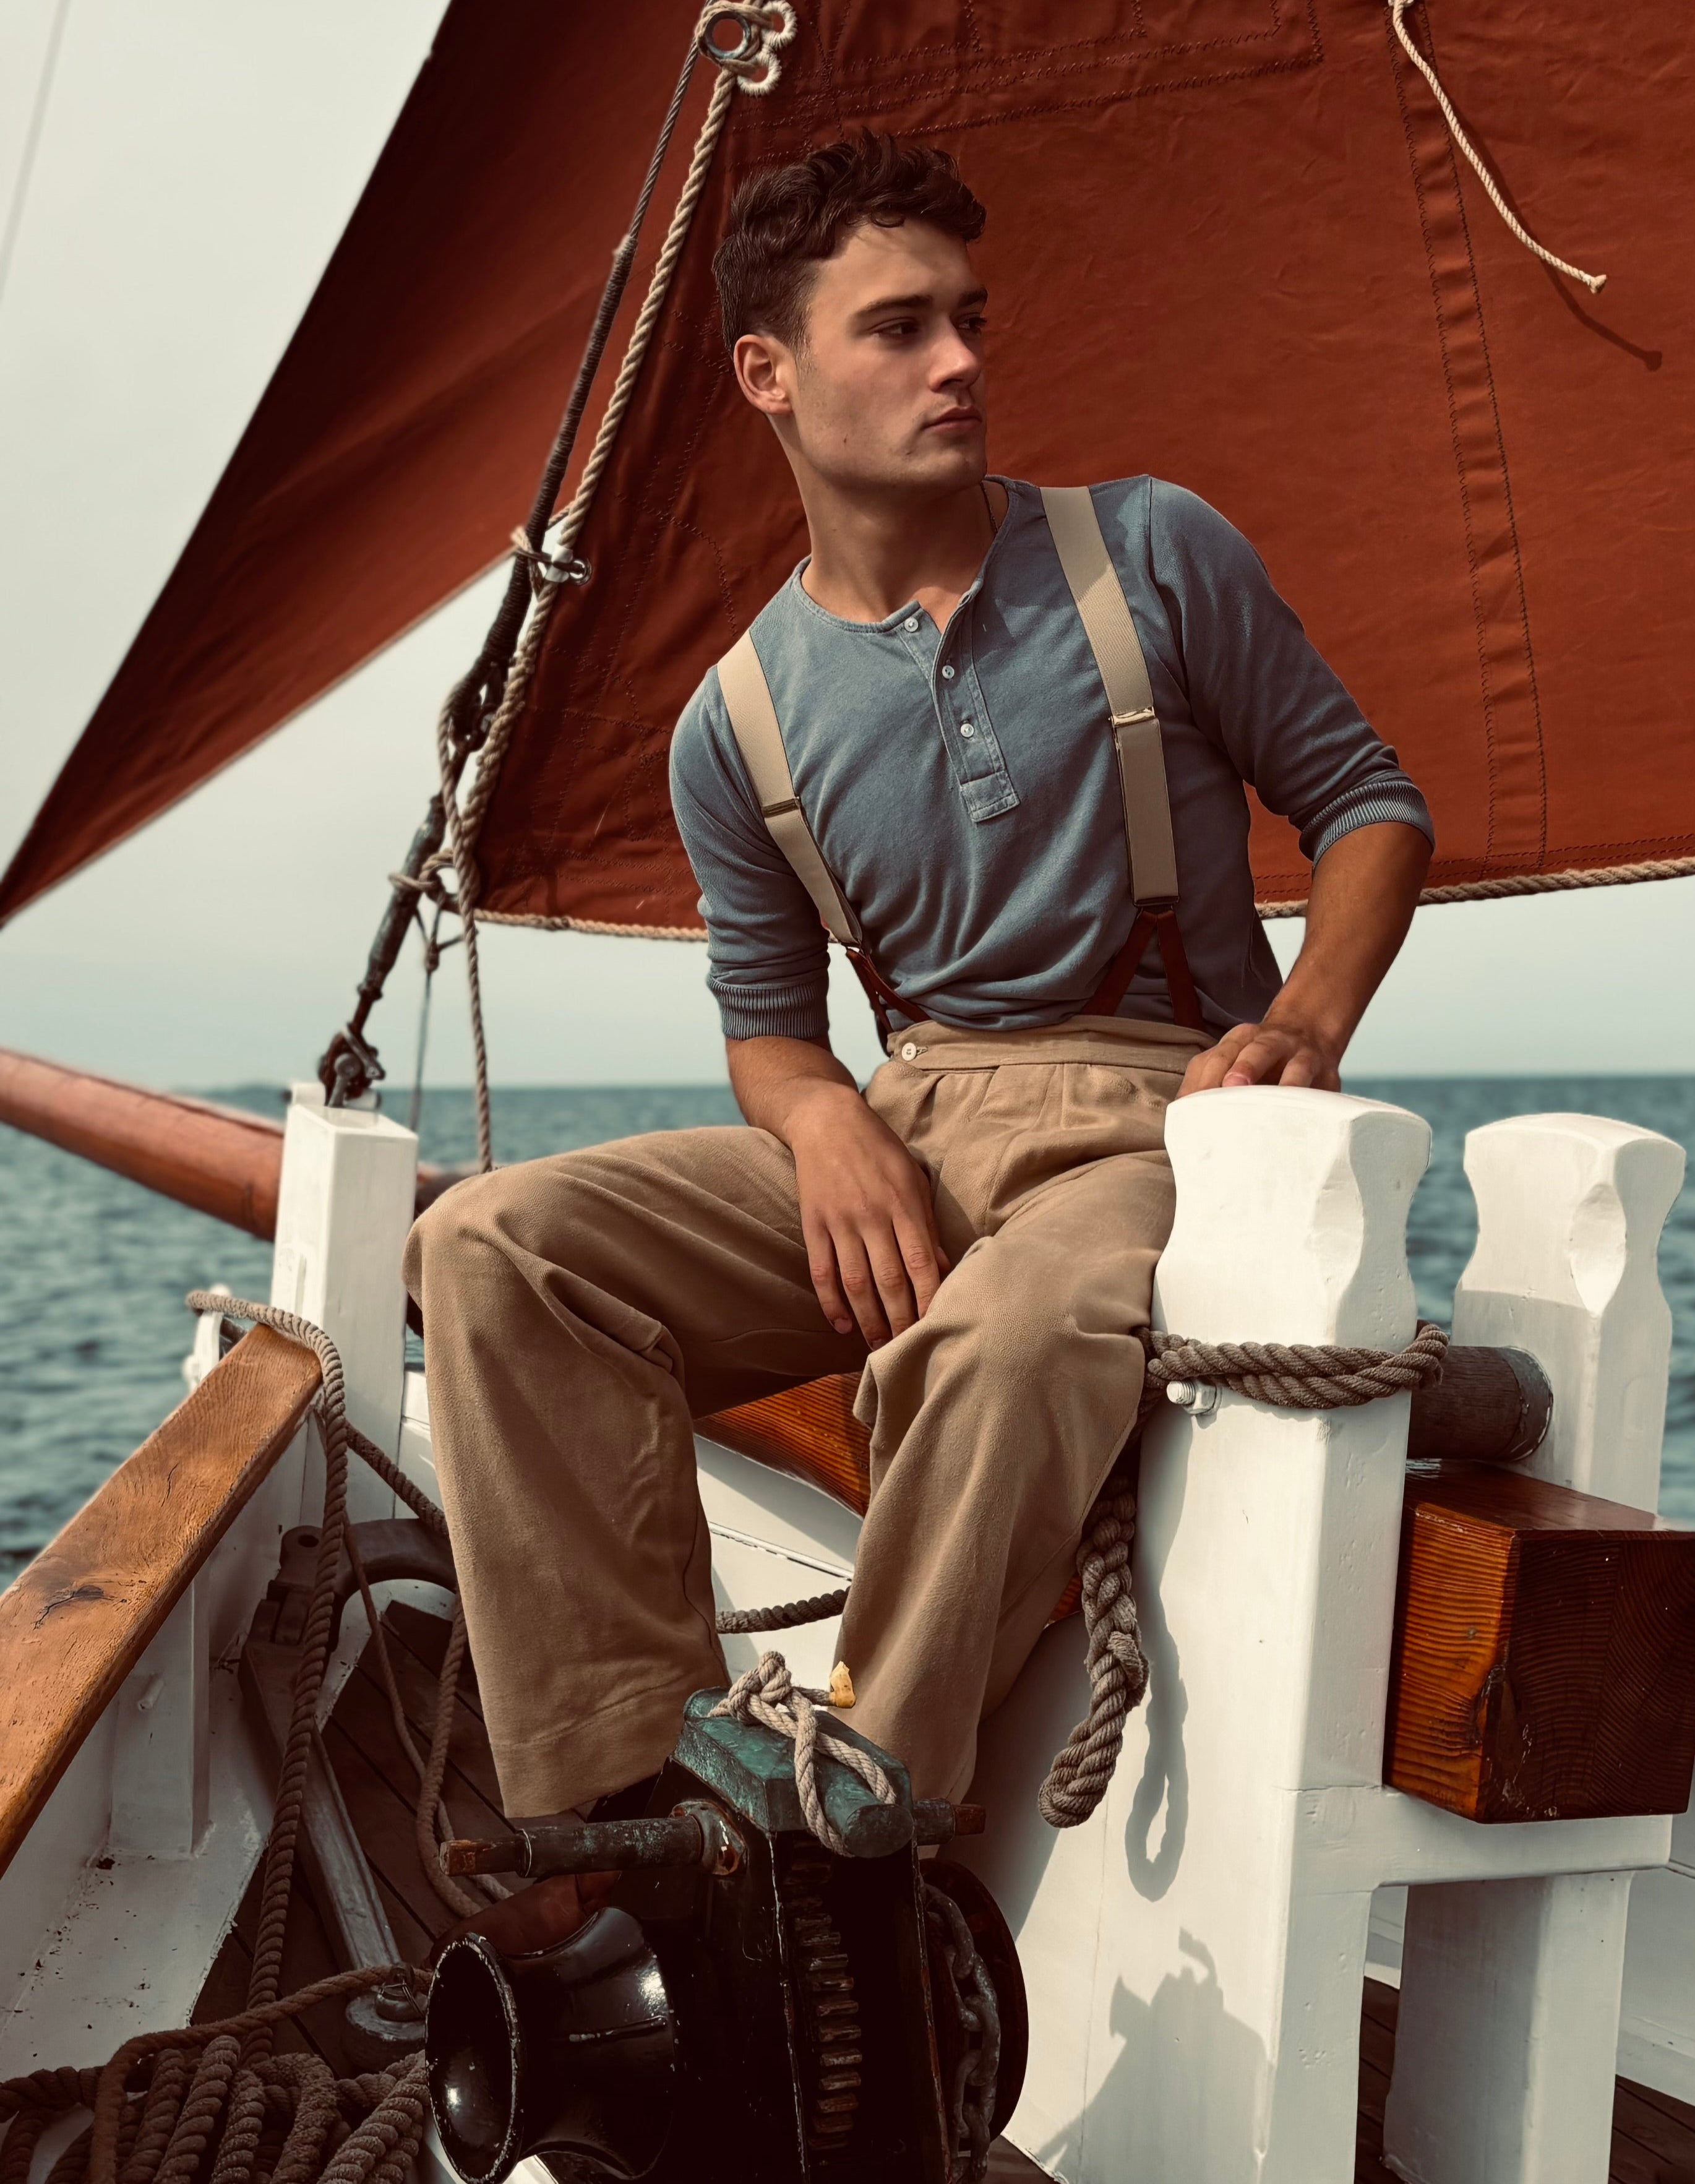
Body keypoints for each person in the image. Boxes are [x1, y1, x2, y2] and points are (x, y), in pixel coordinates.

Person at [404, 132, 1433, 1823]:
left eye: (969, 318)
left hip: (1161, 1122)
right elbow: (768, 1037)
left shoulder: (1149, 555)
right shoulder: (730, 727)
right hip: (913, 1123)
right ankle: (628, 1807)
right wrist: (822, 1126)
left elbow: (1372, 806)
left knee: (1008, 1333)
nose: (960, 362)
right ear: (770, 373)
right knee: (487, 1247)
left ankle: (862, 1790)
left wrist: (1302, 1026)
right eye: (897, 328)